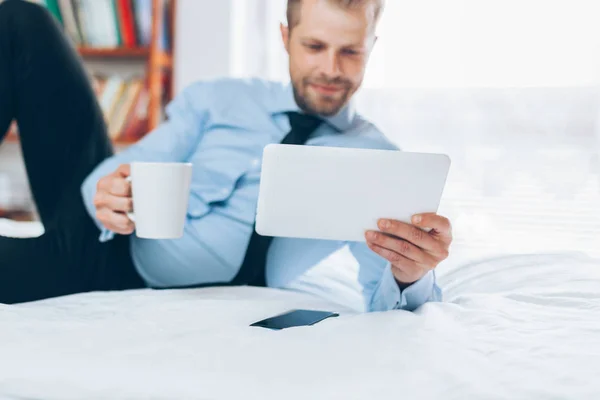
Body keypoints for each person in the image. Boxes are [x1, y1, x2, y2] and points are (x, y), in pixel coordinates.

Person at [0, 0, 452, 311]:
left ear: (372, 47)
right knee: (20, 19)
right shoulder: (218, 98)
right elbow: (129, 164)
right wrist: (109, 190)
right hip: (101, 228)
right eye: (314, 46)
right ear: (285, 37)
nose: (330, 69)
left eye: (350, 51)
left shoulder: (377, 162)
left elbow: (383, 294)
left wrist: (411, 275)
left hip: (104, 270)